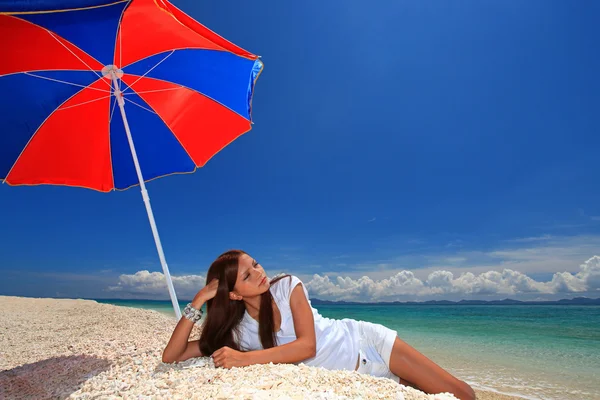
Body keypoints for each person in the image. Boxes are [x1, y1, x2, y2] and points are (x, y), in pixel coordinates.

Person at [162, 250, 475, 400]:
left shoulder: (287, 287)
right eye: (246, 275)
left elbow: (306, 347)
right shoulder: (239, 331)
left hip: (366, 343)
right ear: (233, 293)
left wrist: (244, 359)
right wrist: (199, 300)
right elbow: (172, 356)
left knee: (463, 395)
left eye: (254, 264)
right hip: (360, 379)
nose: (258, 272)